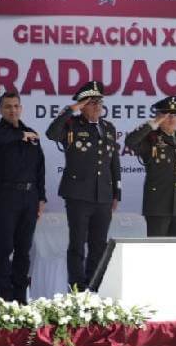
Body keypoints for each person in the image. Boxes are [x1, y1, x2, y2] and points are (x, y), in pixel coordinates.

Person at [46, 81, 121, 291]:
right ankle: (77, 289)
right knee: (77, 244)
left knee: (99, 245)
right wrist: (72, 109)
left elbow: (114, 162)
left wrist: (116, 192)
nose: (97, 107)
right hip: (78, 195)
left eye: (99, 102)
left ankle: (94, 287)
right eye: (92, 103)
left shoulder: (108, 127)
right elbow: (52, 133)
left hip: (103, 196)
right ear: (83, 106)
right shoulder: (72, 124)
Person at [0, 91, 46, 303]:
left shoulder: (31, 133)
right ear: (0, 110)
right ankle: (5, 298)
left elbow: (40, 168)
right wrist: (20, 136)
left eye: (16, 106)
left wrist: (41, 198)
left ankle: (20, 298)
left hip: (30, 196)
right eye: (8, 106)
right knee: (4, 248)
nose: (13, 110)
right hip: (6, 195)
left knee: (24, 249)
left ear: (21, 108)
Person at [124, 96, 176, 236]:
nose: (172, 119)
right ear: (159, 117)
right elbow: (130, 142)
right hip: (158, 205)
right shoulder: (151, 138)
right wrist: (153, 123)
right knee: (157, 247)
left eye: (175, 115)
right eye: (167, 115)